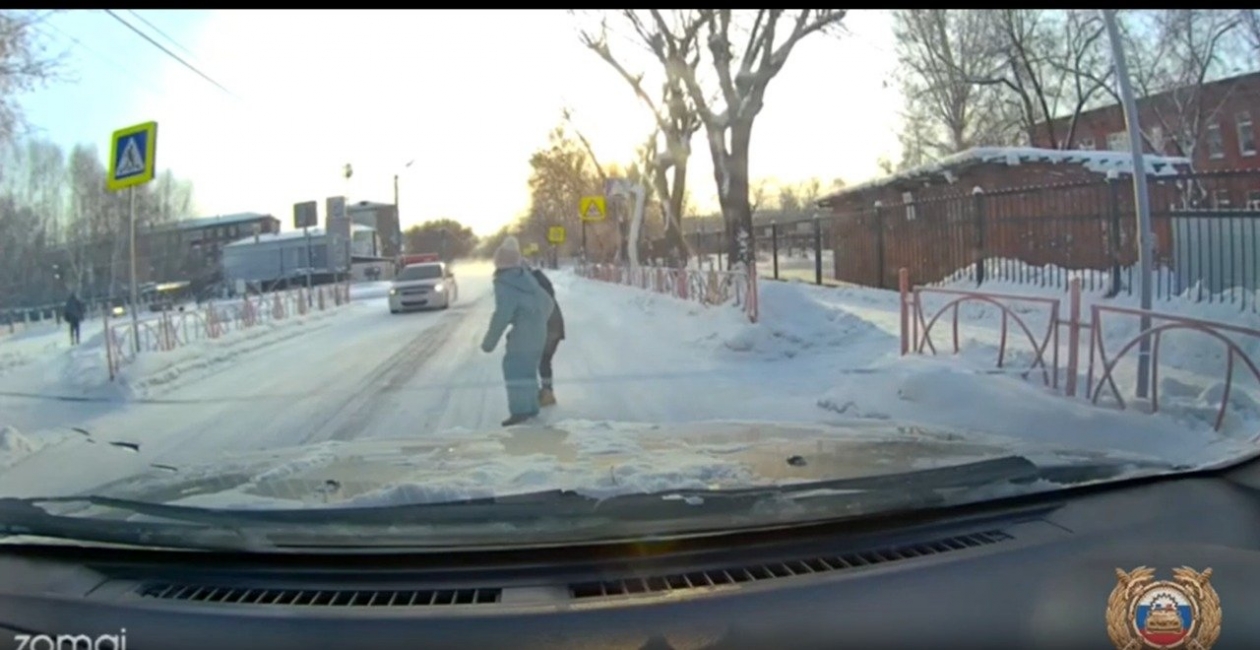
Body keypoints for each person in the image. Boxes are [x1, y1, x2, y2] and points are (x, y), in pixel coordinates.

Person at [481, 237, 555, 426]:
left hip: (523, 335)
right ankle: (531, 408)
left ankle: (520, 413)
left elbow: (502, 314)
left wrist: (489, 343)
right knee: (528, 371)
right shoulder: (527, 278)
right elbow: (548, 303)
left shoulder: (504, 283)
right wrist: (537, 321)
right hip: (539, 333)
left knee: (514, 369)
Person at [527, 264, 564, 407]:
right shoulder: (540, 281)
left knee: (541, 360)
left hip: (548, 327)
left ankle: (546, 393)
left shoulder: (531, 285)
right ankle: (546, 391)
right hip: (555, 326)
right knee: (543, 360)